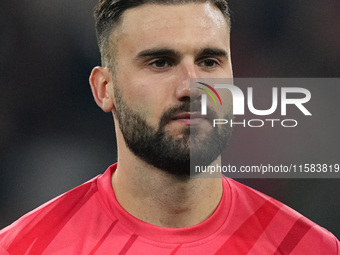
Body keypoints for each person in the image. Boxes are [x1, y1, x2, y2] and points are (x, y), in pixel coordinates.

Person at [0, 0, 339, 254]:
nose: (192, 87)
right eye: (160, 62)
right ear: (104, 89)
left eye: (209, 62)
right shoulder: (25, 247)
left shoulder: (307, 246)